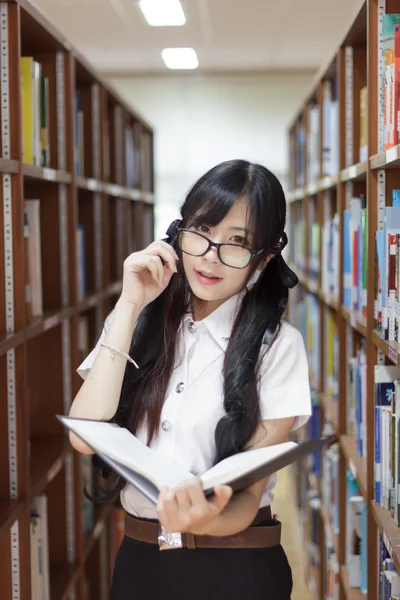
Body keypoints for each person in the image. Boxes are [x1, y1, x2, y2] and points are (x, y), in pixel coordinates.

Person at [69, 159, 312, 599]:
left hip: (239, 568)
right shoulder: (140, 320)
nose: (210, 256)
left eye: (236, 243)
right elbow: (84, 434)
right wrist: (129, 304)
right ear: (179, 230)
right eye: (201, 231)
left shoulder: (280, 346)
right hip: (142, 560)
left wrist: (199, 518)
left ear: (265, 256)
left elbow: (245, 497)